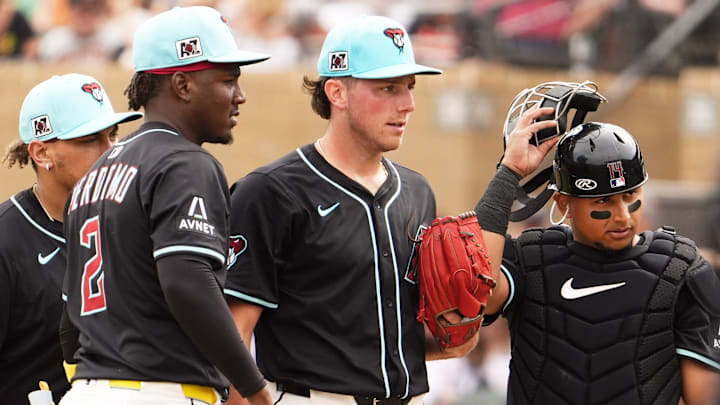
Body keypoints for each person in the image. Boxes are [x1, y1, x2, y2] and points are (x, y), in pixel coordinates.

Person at [223, 15, 559, 405]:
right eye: (388, 88)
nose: (408, 104)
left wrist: (454, 333)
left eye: (410, 87)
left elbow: (414, 337)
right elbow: (232, 337)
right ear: (337, 92)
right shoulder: (271, 191)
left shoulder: (416, 191)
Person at [59, 6, 273, 405]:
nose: (240, 95)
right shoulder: (184, 162)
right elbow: (186, 281)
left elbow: (70, 325)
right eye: (228, 80)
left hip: (88, 390)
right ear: (182, 85)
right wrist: (253, 386)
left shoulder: (93, 175)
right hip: (162, 391)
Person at [482, 121, 720, 404]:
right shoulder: (531, 260)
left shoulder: (682, 271)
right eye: (604, 201)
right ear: (563, 203)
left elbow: (704, 397)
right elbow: (478, 293)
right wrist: (508, 173)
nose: (622, 215)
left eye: (630, 195)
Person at [0, 73, 141, 404]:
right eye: (90, 139)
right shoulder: (7, 240)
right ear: (42, 153)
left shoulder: (130, 227)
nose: (111, 151)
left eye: (113, 135)